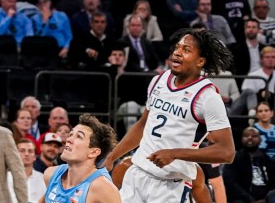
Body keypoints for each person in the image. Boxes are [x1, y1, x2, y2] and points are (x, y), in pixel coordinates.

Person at [106, 28, 236, 202]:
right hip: (137, 176)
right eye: (177, 47)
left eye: (186, 50)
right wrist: (113, 155)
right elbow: (143, 125)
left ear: (200, 61)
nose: (177, 53)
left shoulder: (208, 97)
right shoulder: (159, 80)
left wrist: (175, 153)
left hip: (170, 185)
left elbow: (227, 152)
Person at [40, 115, 120, 203]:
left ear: (93, 152)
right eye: (71, 134)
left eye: (79, 136)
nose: (69, 139)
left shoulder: (102, 188)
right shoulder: (50, 174)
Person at [223, 126, 275, 203]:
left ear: (260, 140)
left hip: (265, 199)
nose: (250, 138)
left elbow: (273, 183)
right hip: (241, 199)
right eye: (246, 136)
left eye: (254, 136)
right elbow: (230, 182)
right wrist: (250, 200)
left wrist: (266, 198)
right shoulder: (234, 158)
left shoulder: (267, 160)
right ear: (241, 139)